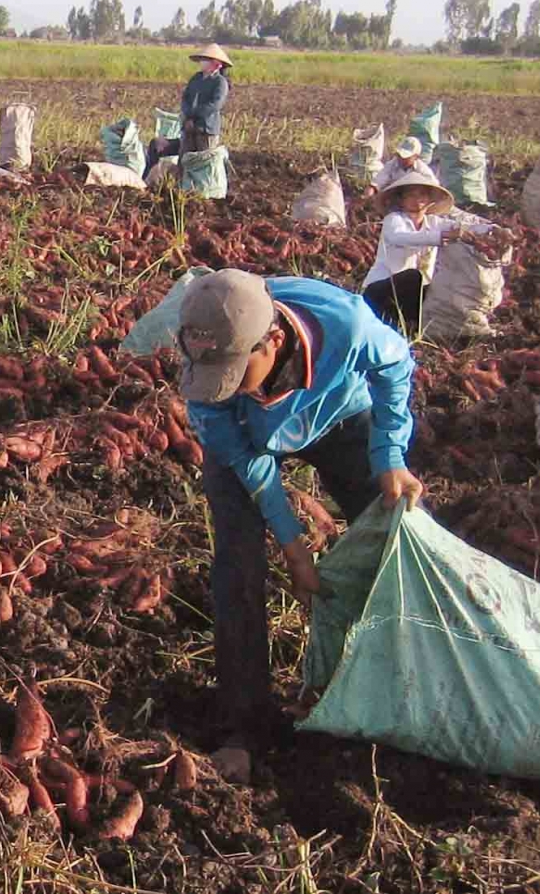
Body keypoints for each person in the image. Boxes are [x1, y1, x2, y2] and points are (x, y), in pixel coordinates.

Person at [177, 268, 424, 785]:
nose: (220, 388)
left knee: (396, 531)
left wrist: (389, 454)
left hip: (338, 415)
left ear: (272, 341)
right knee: (237, 566)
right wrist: (292, 545)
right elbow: (247, 463)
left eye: (234, 371)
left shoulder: (347, 325)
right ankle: (245, 723)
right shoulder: (208, 383)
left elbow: (395, 366)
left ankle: (408, 686)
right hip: (248, 442)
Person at [360, 170, 494, 333]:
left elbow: (466, 226)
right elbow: (400, 237)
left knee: (438, 291)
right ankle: (400, 325)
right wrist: (441, 236)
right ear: (401, 200)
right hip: (380, 291)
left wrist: (492, 230)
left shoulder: (434, 222)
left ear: (430, 200)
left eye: (422, 194)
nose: (417, 199)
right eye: (411, 195)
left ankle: (414, 327)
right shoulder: (394, 220)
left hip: (410, 295)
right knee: (413, 276)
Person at [146, 44, 230, 175]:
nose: (202, 63)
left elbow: (215, 105)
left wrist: (194, 118)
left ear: (216, 63)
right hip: (189, 126)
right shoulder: (196, 78)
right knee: (184, 160)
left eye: (206, 60)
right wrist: (187, 115)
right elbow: (185, 98)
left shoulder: (220, 82)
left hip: (206, 129)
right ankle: (182, 186)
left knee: (203, 162)